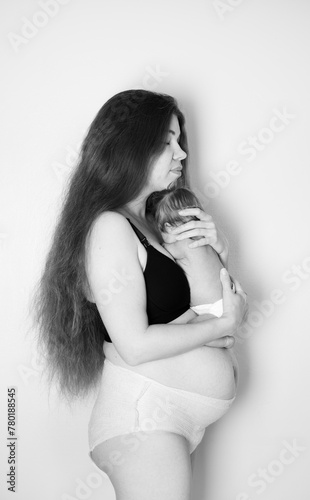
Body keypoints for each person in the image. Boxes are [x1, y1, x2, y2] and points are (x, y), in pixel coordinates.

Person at [32, 89, 248, 500]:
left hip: (169, 417)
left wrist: (218, 255)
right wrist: (219, 325)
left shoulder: (151, 221)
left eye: (179, 140)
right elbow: (133, 344)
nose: (181, 153)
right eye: (167, 141)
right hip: (144, 418)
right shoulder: (111, 227)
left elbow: (225, 311)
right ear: (132, 147)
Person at [145, 186, 237, 320]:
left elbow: (156, 253)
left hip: (208, 308)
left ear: (167, 227)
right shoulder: (205, 240)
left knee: (189, 333)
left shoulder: (180, 245)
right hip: (227, 298)